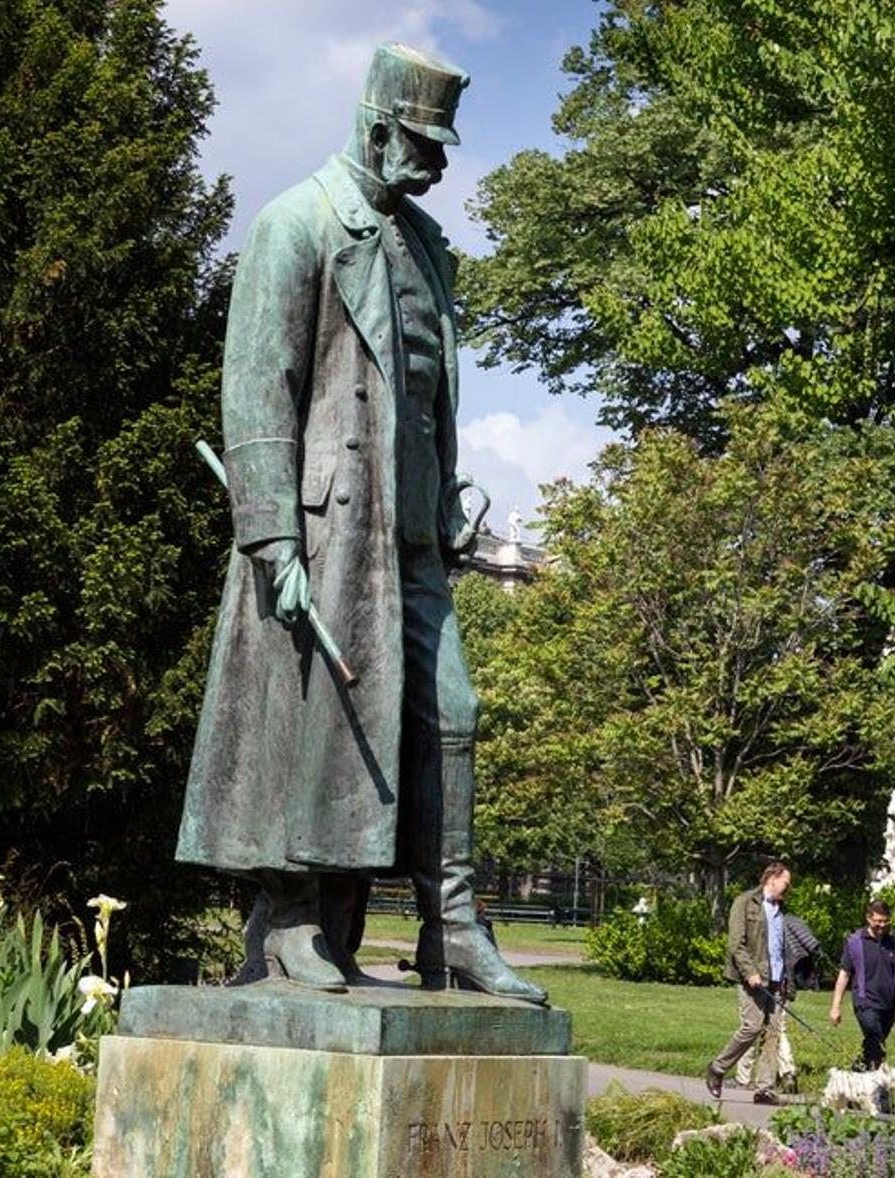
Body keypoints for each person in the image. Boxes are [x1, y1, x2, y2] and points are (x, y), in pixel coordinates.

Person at [175, 42, 545, 1005]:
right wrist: (270, 537)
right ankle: (294, 921)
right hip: (327, 531)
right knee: (317, 729)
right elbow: (258, 387)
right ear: (379, 127)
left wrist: (448, 491)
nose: (437, 166)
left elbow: (427, 394)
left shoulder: (425, 248)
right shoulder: (295, 225)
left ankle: (451, 929)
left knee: (450, 715)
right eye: (424, 146)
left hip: (413, 535)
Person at [705, 863, 794, 1105]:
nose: (788, 888)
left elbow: (782, 946)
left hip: (777, 979)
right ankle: (717, 1068)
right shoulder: (744, 902)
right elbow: (736, 944)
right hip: (753, 979)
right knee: (752, 1027)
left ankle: (765, 1088)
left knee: (773, 1033)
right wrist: (750, 972)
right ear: (772, 879)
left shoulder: (781, 909)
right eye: (786, 882)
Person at [829, 899, 895, 1070]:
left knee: (873, 1044)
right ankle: (877, 1085)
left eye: (885, 921)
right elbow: (844, 974)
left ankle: (857, 1074)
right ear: (869, 919)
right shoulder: (855, 942)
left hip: (888, 1005)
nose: (882, 926)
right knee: (876, 1041)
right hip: (865, 1002)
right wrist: (835, 1007)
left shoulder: (893, 943)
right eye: (878, 921)